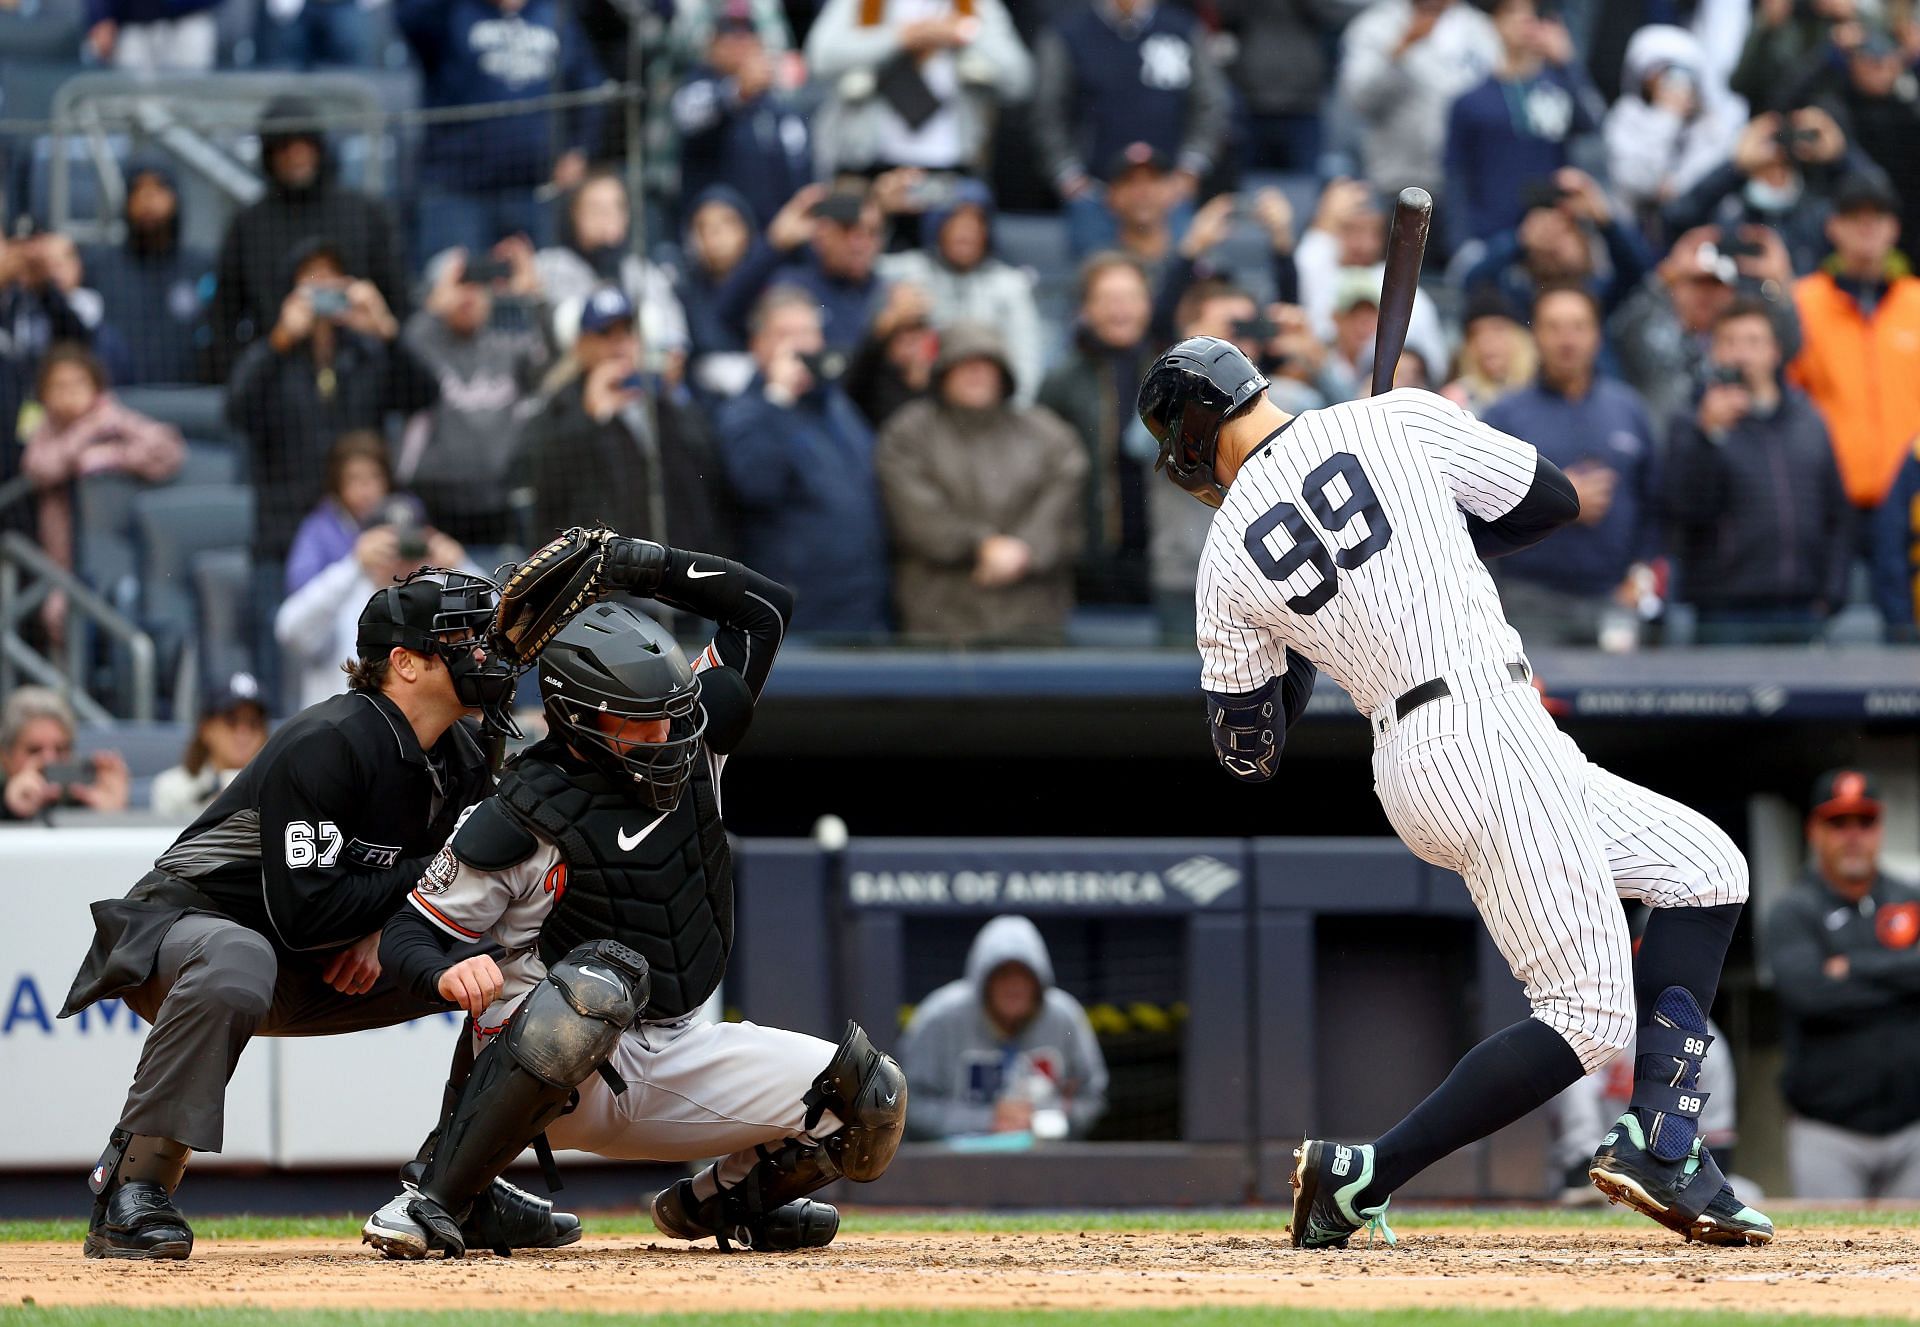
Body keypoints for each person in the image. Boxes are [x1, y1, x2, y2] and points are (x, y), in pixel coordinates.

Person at [1137, 336, 1770, 1247]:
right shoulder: (1397, 417)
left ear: (1193, 436)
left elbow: (1249, 750)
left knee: (1706, 866)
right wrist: (1426, 519)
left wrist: (1320, 634)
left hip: (1431, 749)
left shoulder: (1225, 559)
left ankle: (1660, 1132)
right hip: (1484, 729)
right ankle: (1382, 1171)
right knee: (1587, 1014)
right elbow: (1555, 500)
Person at [358, 555, 906, 1258]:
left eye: (672, 714)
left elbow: (765, 607)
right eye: (639, 722)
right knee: (597, 981)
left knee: (868, 1096)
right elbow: (408, 932)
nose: (666, 737)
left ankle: (718, 1203)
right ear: (581, 717)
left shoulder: (696, 740)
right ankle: (436, 1198)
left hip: (676, 1046)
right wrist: (447, 970)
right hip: (546, 1074)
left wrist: (635, 561)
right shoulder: (520, 811)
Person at [58, 573, 562, 1260]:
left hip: (312, 958)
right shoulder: (330, 739)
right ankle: (130, 1193)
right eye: (461, 638)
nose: (482, 651)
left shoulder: (462, 756)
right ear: (406, 662)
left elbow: (484, 894)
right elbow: (308, 911)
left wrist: (388, 931)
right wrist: (422, 885)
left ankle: (454, 1187)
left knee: (523, 966)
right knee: (240, 959)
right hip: (182, 935)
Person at [226, 241, 440, 576]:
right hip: (284, 531)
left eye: (332, 277)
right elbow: (236, 412)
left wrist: (387, 332)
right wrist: (280, 341)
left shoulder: (370, 353)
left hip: (364, 532)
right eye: (311, 278)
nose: (323, 287)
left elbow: (426, 394)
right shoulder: (272, 355)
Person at [874, 321, 1086, 644]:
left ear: (1004, 375)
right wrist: (981, 544)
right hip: (940, 620)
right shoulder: (907, 433)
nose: (976, 374)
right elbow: (916, 513)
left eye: (987, 365)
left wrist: (1024, 550)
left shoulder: (1048, 435)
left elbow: (1063, 500)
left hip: (1033, 619)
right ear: (942, 372)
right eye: (963, 364)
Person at [1763, 769, 1920, 1199]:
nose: (1853, 836)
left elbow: (1833, 987)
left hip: (1913, 1129)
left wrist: (1850, 967)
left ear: (1880, 828)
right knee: (1829, 1259)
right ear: (1815, 830)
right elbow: (1809, 995)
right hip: (1827, 1132)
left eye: (1864, 822)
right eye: (1838, 823)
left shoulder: (1910, 898)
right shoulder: (1794, 910)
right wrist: (1904, 979)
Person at [1483, 286, 1660, 648]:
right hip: (1528, 601)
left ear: (1597, 335)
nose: (1567, 340)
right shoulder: (1504, 417)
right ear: (1535, 335)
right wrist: (1559, 503)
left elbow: (1655, 504)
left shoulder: (1629, 410)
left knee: (1621, 702)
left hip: (1614, 598)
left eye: (1578, 327)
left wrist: (1642, 573)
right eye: (1554, 327)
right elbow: (1478, 513)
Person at [1665, 300, 1852, 643]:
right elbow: (1685, 508)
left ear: (1776, 351)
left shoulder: (1809, 419)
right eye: (1729, 342)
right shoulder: (1690, 421)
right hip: (1724, 611)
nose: (1741, 354)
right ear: (1713, 352)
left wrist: (1834, 592)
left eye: (1753, 342)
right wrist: (1709, 434)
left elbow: (1836, 514)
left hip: (1803, 606)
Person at [714, 286, 889, 636]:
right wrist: (778, 399)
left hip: (863, 604)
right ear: (757, 345)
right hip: (802, 614)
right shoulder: (746, 413)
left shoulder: (837, 406)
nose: (800, 347)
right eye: (785, 335)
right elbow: (758, 486)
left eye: (808, 333)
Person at [516, 285, 730, 555]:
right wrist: (590, 418)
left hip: (668, 562)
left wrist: (672, 395)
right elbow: (536, 480)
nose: (619, 345)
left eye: (627, 332)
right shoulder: (558, 405)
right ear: (582, 345)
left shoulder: (660, 399)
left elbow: (705, 469)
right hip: (597, 570)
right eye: (605, 334)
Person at [206, 95, 409, 381]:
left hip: (361, 371)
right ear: (269, 154)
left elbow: (397, 301)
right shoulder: (249, 224)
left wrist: (380, 329)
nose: (296, 155)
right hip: (280, 378)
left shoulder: (363, 213)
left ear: (319, 148)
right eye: (284, 146)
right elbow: (223, 316)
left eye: (304, 144)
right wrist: (259, 362)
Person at [399, 0, 606, 260]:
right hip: (456, 189)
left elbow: (589, 87)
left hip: (534, 190)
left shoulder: (554, 12)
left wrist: (578, 148)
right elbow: (407, 20)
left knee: (537, 287)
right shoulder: (449, 11)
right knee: (457, 285)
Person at [1033, 0, 1229, 258]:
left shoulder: (1182, 27)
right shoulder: (1068, 32)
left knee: (1178, 282)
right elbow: (1047, 111)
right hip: (1096, 193)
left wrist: (1190, 169)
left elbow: (1212, 103)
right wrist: (1068, 175)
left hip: (1168, 191)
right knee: (1105, 287)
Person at [21, 344, 185, 640]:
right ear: (43, 393)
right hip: (63, 568)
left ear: (96, 386)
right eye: (58, 385)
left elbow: (170, 451)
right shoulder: (46, 430)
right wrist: (84, 435)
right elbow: (38, 468)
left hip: (125, 555)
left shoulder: (114, 419)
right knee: (60, 620)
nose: (69, 393)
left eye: (78, 383)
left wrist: (113, 457)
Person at [898, 914, 1108, 1140]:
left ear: (1040, 982)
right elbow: (905, 1104)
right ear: (982, 981)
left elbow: (1092, 1096)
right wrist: (988, 1119)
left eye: (1024, 975)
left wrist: (1042, 1119)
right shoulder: (939, 1019)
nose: (1014, 986)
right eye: (1003, 974)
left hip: (1045, 1161)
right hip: (955, 1167)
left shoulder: (1064, 1017)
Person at [401, 240, 552, 547]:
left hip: (502, 503)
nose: (469, 296)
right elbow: (401, 359)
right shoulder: (423, 344)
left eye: (477, 286)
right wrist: (432, 309)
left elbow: (553, 363)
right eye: (460, 285)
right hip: (434, 506)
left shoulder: (508, 346)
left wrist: (532, 297)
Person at [1788, 170, 1920, 517]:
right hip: (1830, 499)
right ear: (1832, 226)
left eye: (1877, 215)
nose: (1867, 226)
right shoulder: (1804, 303)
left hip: (1911, 500)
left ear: (1895, 227)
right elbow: (1787, 396)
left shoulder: (1916, 302)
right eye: (1853, 216)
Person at [1038, 253, 1158, 606]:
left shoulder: (1172, 370)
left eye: (1131, 298)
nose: (1119, 309)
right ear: (1085, 309)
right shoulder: (1061, 380)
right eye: (1107, 299)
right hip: (1087, 556)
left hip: (1161, 555)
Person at [804, 0, 1032, 180]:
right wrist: (900, 38)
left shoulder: (972, 4)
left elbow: (1020, 79)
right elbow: (819, 57)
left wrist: (964, 32)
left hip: (953, 167)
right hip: (871, 164)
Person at [1610, 223, 1802, 435]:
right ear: (1677, 287)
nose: (1706, 295)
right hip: (1661, 458)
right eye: (1696, 283)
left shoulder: (1736, 347)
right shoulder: (1654, 340)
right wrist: (1663, 277)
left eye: (1716, 286)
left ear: (1730, 293)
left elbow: (1789, 345)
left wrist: (1781, 284)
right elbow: (1620, 329)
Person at [276, 507, 472, 712]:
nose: (400, 558)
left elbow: (497, 626)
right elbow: (289, 630)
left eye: (407, 544)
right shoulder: (344, 593)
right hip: (342, 732)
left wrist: (461, 566)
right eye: (389, 546)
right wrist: (353, 563)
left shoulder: (440, 592)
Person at [1447, 0, 1601, 246]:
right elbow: (1456, 177)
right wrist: (1461, 244)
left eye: (1532, 12)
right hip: (1491, 236)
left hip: (1551, 233)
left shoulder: (1559, 86)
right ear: (1493, 23)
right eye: (1511, 11)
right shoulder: (1470, 100)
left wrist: (1567, 63)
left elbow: (1592, 123)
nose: (1524, 19)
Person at [877, 179, 1045, 402]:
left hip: (990, 407)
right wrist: (881, 211)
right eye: (954, 220)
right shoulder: (910, 271)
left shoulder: (1010, 285)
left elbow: (1027, 362)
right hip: (921, 403)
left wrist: (1011, 415)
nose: (965, 232)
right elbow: (862, 265)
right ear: (937, 226)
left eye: (975, 222)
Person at [1661, 107, 1865, 277]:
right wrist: (1735, 167)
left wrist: (1840, 156)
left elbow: (1879, 207)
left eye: (1783, 166)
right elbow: (1674, 219)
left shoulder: (1819, 216)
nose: (1774, 175)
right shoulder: (1728, 213)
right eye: (1764, 167)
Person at [1336, 0, 1499, 203]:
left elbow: (1499, 93)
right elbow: (1359, 100)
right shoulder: (1376, 25)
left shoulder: (1480, 28)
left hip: (1470, 180)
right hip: (1399, 179)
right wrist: (1399, 53)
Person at [670, 5, 813, 233]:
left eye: (747, 34)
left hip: (775, 234)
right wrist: (738, 92)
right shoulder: (699, 84)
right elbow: (687, 113)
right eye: (729, 35)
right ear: (712, 45)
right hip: (716, 237)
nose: (739, 43)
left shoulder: (777, 104)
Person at [81, 156, 213, 386]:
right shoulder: (98, 266)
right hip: (116, 402)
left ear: (176, 198)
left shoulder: (202, 267)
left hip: (189, 401)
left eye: (158, 188)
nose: (148, 199)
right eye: (138, 189)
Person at [1462, 167, 1654, 325]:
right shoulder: (1517, 297)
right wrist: (1520, 240)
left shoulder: (1598, 294)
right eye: (1547, 233)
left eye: (1566, 232)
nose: (1555, 244)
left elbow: (1640, 271)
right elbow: (1473, 281)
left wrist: (1605, 220)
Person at [1602, 24, 1742, 233]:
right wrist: (1666, 118)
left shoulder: (1712, 129)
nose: (1680, 85)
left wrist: (1675, 187)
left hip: (1692, 233)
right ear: (1649, 79)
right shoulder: (1626, 116)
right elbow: (1636, 180)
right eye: (1670, 74)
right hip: (1633, 232)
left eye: (1686, 75)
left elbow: (1701, 192)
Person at [535, 171, 690, 359]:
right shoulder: (547, 266)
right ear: (574, 214)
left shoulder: (641, 270)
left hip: (639, 381)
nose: (608, 216)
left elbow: (675, 349)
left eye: (617, 207)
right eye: (597, 208)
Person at [1214, 0, 1366, 174]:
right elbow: (1222, 13)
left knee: (1304, 187)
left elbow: (1334, 14)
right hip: (1251, 103)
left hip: (1302, 105)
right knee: (1251, 189)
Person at [285, 432, 420, 597]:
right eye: (354, 478)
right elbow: (299, 591)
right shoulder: (319, 526)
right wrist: (356, 564)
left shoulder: (407, 513)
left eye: (374, 476)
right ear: (337, 484)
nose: (365, 490)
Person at [772, 188, 887, 352]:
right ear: (822, 233)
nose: (861, 245)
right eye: (847, 230)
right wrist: (773, 245)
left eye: (872, 232)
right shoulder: (793, 286)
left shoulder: (889, 294)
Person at [0, 686, 129, 823]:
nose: (50, 760)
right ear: (4, 756)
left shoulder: (87, 798)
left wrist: (113, 817)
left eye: (61, 749)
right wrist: (10, 811)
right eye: (34, 750)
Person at [150, 672, 271, 819]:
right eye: (231, 721)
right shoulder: (172, 788)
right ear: (207, 729)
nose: (243, 733)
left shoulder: (278, 789)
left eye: (254, 724)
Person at [1442, 287, 1535, 416]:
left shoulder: (1545, 391)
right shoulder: (1454, 401)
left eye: (1497, 329)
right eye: (1475, 334)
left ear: (1520, 337)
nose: (1485, 341)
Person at [84, 0, 221, 71]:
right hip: (130, 24)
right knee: (131, 95)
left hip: (189, 19)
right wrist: (101, 17)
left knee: (192, 90)